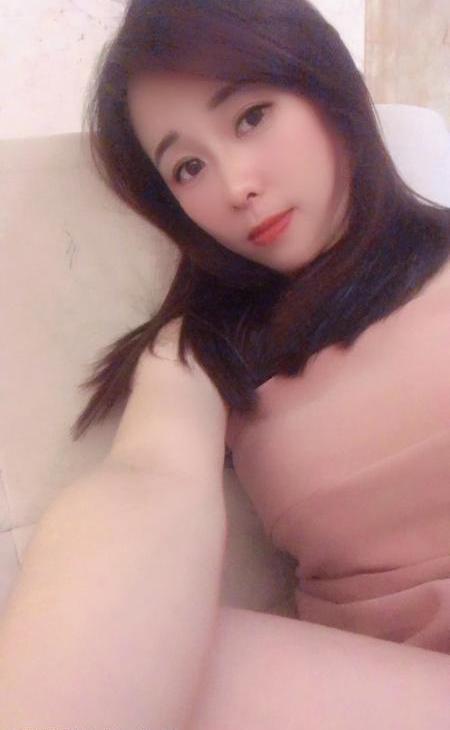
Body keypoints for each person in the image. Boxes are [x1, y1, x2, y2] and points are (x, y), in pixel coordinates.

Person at [0, 1, 449, 728]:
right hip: (399, 693)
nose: (235, 186)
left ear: (324, 83)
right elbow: (149, 478)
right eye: (188, 167)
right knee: (151, 650)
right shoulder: (205, 347)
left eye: (250, 117)